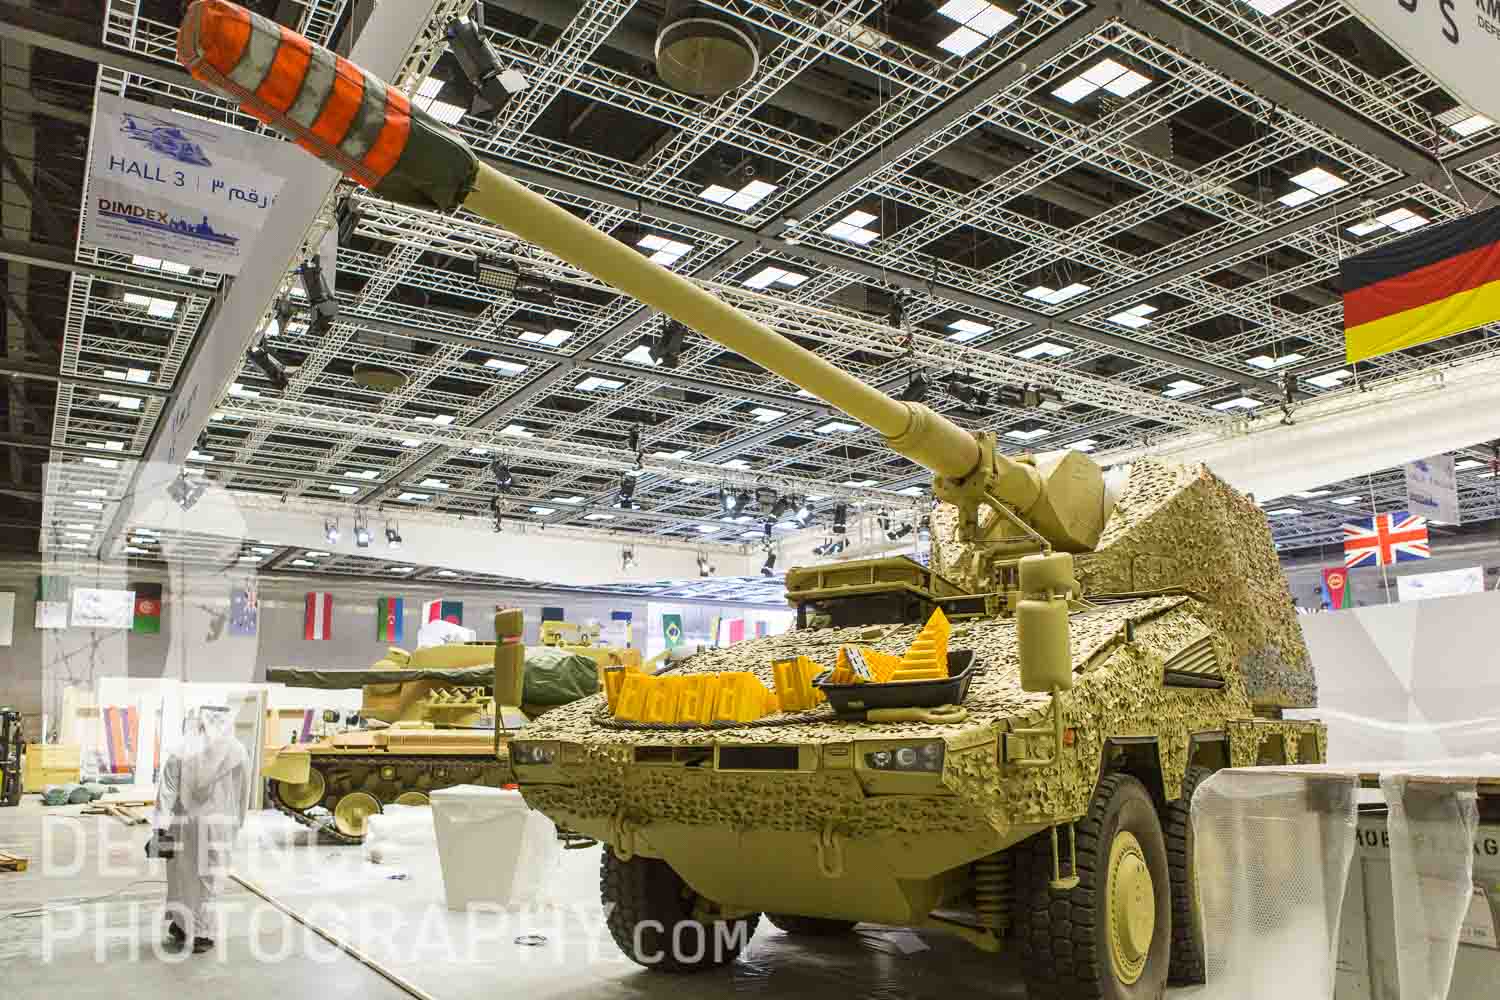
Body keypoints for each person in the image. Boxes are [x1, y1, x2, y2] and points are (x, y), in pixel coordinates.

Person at [149, 706, 249, 953]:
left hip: (184, 825)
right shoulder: (237, 752)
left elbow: (167, 791)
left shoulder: (182, 749)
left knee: (183, 876)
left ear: (200, 722)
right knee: (210, 878)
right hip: (219, 826)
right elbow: (243, 793)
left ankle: (182, 926)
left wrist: (160, 827)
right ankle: (202, 933)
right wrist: (237, 823)